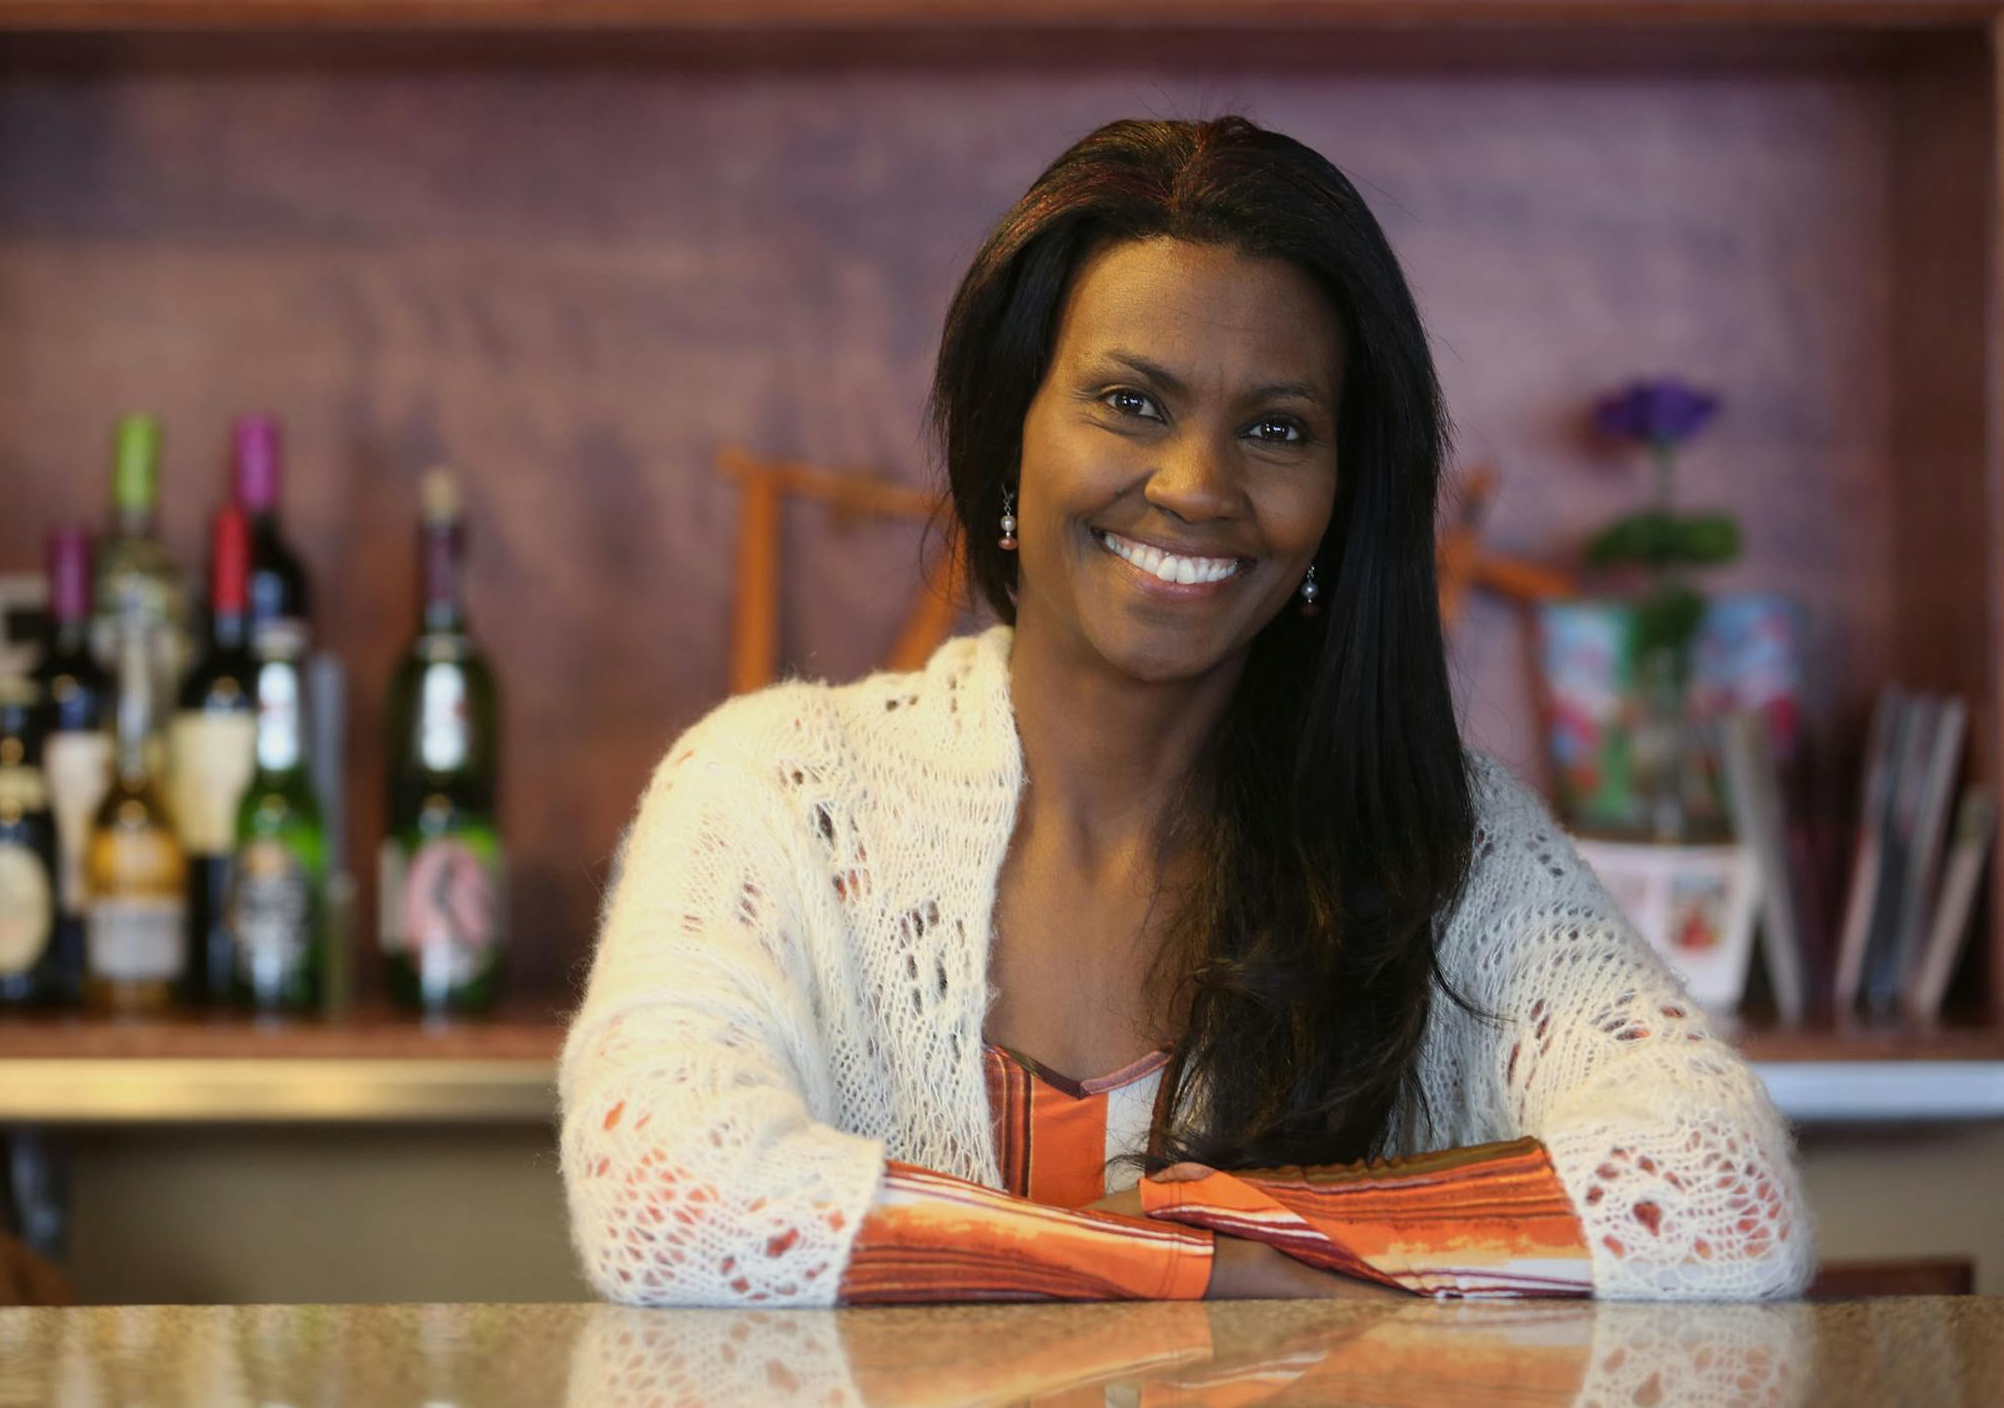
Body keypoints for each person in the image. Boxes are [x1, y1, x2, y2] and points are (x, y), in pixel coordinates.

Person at [557, 115, 1814, 1306]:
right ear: (1008, 435)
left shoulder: (1449, 844)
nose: (1198, 485)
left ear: (1341, 495)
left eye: (1276, 427)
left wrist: (1245, 1226)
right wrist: (1198, 1269)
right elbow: (669, 1197)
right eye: (1131, 402)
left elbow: (1722, 1188)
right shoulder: (775, 796)